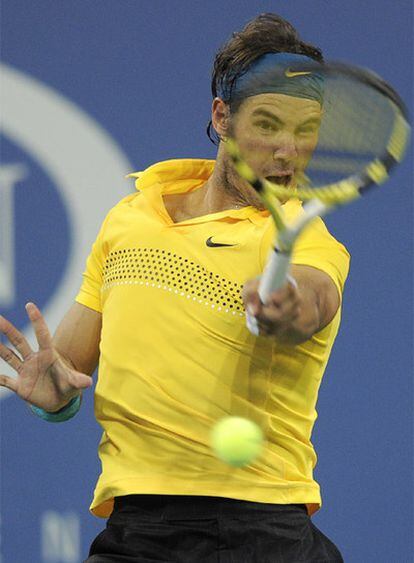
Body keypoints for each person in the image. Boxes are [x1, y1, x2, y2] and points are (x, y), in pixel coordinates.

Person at [0, 13, 349, 563]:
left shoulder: (307, 242)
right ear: (222, 117)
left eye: (306, 130)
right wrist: (54, 400)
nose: (287, 152)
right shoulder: (128, 220)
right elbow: (67, 368)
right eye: (268, 123)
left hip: (258, 529)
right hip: (135, 529)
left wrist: (288, 308)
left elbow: (314, 297)